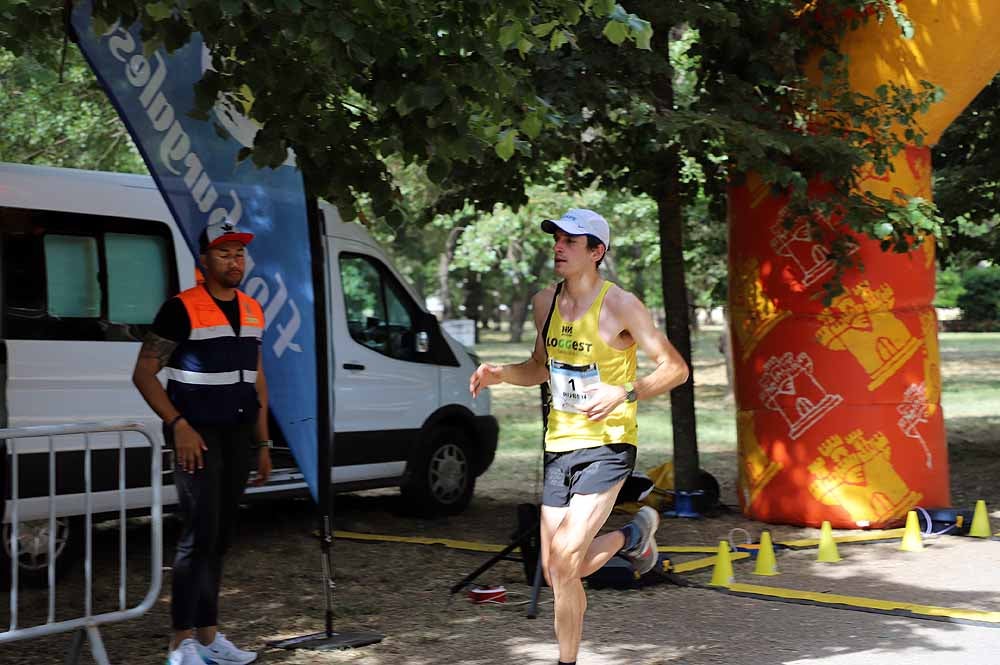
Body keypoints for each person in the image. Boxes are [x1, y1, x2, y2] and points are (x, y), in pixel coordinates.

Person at [469, 209, 689, 665]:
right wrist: (501, 374)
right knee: (556, 573)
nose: (559, 246)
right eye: (557, 238)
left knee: (568, 554)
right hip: (559, 445)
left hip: (607, 445)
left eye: (572, 240)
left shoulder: (621, 305)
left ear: (597, 251)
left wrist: (624, 391)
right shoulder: (543, 303)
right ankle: (633, 536)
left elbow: (676, 369)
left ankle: (629, 539)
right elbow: (539, 368)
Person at [132, 219, 272, 665]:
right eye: (224, 253)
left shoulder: (252, 309)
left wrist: (263, 442)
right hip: (196, 434)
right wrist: (178, 424)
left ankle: (210, 638)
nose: (234, 260)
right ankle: (180, 642)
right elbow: (143, 373)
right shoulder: (180, 308)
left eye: (239, 253)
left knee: (221, 535)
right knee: (197, 534)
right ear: (204, 260)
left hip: (237, 435)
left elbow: (257, 377)